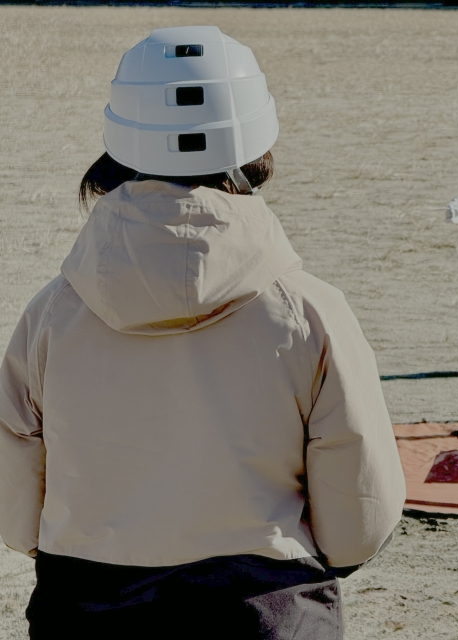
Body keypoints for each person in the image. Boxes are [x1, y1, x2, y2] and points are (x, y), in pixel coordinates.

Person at [0, 26, 406, 639]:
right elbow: (359, 501)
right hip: (266, 610)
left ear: (117, 144)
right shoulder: (309, 311)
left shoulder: (52, 313)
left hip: (87, 607)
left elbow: (16, 501)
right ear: (256, 146)